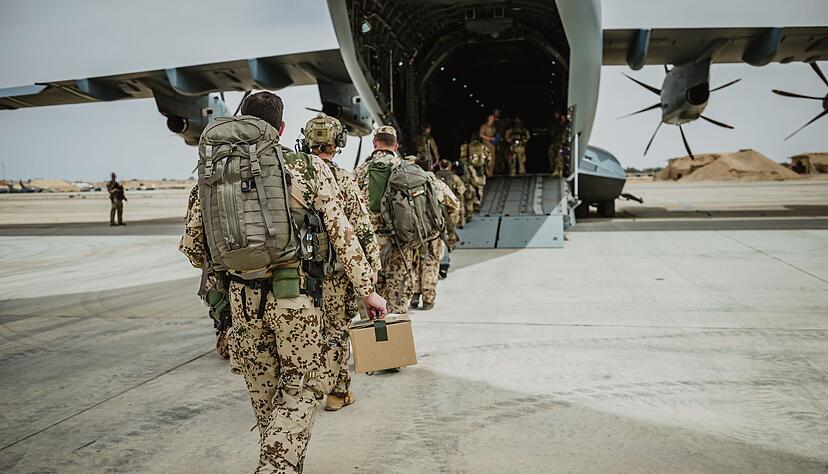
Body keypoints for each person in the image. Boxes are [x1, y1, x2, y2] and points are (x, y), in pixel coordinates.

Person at [179, 91, 387, 473]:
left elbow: (194, 248)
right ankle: (277, 468)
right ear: (281, 128)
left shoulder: (211, 175)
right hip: (296, 298)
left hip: (242, 300)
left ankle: (274, 458)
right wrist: (367, 291)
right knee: (302, 387)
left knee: (265, 394)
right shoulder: (307, 168)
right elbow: (344, 236)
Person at [300, 113, 381, 412]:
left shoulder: (294, 175)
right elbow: (361, 229)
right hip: (333, 276)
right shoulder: (343, 179)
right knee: (335, 332)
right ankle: (337, 392)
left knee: (306, 332)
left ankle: (303, 391)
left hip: (298, 274)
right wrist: (369, 275)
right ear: (338, 143)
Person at [410, 159, 460, 310]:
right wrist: (448, 223)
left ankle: (414, 295)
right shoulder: (436, 183)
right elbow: (455, 204)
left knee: (414, 263)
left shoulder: (410, 182)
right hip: (432, 233)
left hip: (413, 233)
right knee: (430, 264)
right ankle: (428, 299)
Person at [434, 159, 466, 229]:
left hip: (439, 201)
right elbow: (461, 189)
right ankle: (460, 223)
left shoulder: (435, 177)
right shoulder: (453, 176)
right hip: (451, 200)